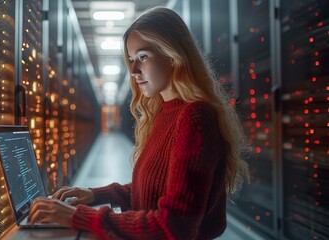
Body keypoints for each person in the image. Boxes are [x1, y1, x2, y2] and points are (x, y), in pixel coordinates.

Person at [29, 6, 249, 239]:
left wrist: (79, 216)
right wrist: (95, 194)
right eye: (132, 60)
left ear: (173, 55)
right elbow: (154, 190)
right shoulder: (163, 113)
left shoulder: (195, 117)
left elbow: (174, 226)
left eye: (143, 57)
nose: (134, 70)